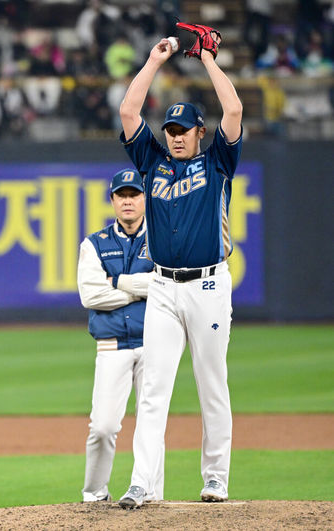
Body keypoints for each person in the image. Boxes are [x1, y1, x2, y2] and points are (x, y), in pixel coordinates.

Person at [117, 35, 243, 508]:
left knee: (212, 383)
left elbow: (232, 113)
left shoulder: (218, 163)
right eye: (170, 128)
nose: (174, 134)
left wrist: (208, 61)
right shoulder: (152, 164)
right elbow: (130, 113)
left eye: (183, 129)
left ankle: (216, 479)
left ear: (198, 132)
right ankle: (142, 483)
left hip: (209, 285)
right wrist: (153, 60)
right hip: (163, 287)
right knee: (153, 388)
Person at [78, 169, 163, 503]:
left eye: (134, 194)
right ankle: (94, 495)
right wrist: (138, 287)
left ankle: (153, 495)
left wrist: (116, 282)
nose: (128, 201)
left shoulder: (161, 238)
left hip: (155, 343)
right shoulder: (95, 243)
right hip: (111, 345)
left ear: (145, 198)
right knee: (102, 426)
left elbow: (166, 286)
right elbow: (90, 296)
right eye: (122, 195)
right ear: (112, 200)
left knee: (151, 424)